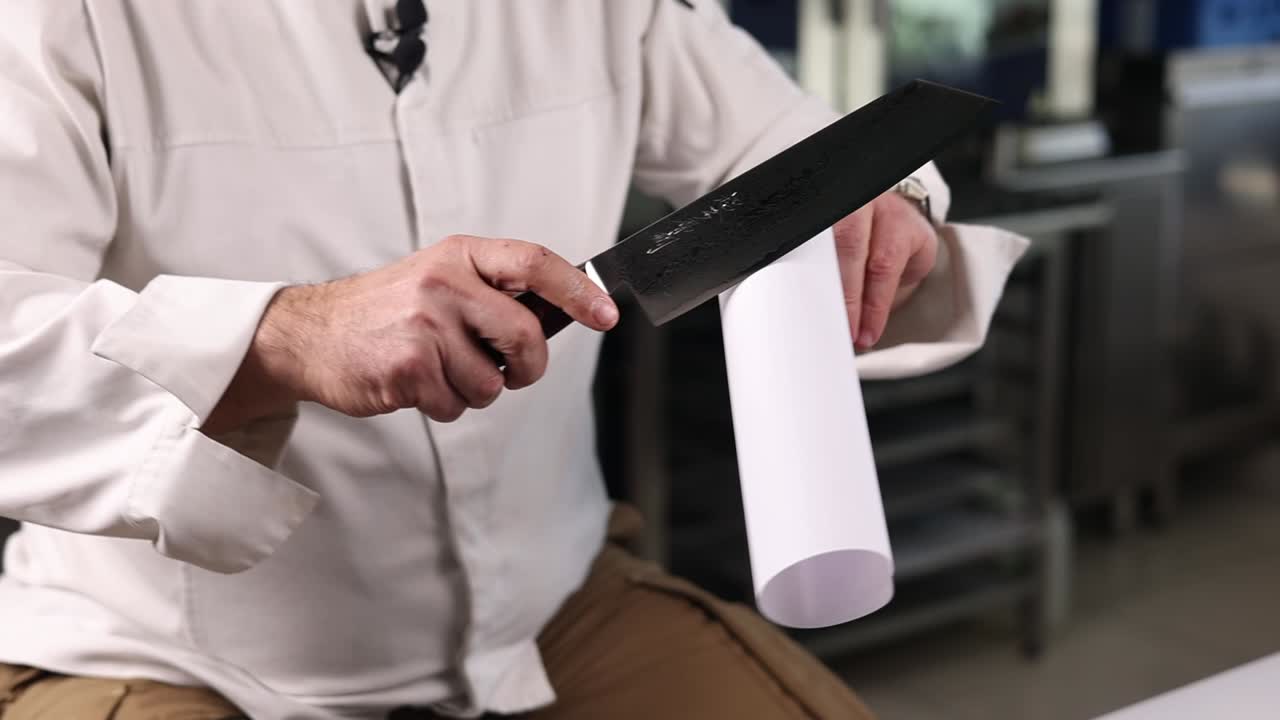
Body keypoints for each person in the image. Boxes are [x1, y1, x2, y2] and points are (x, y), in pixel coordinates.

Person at [0, 2, 1027, 718]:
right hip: (181, 661)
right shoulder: (65, 16)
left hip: (553, 614)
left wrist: (888, 206)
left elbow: (794, 150)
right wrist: (281, 336)